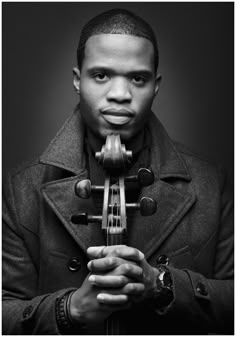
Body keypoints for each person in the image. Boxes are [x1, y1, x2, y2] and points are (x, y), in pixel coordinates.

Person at [2, 8, 233, 335]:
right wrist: (68, 309)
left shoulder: (211, 181)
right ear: (76, 80)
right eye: (101, 75)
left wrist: (161, 284)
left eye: (137, 78)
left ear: (156, 85)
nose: (120, 94)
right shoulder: (20, 188)